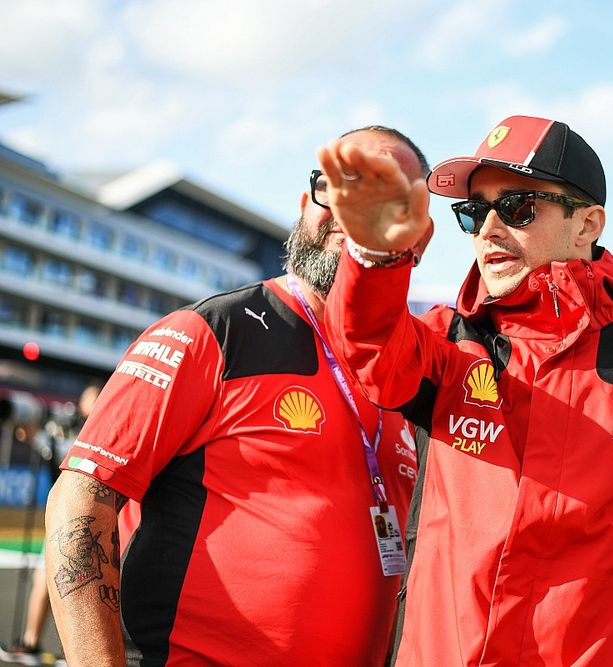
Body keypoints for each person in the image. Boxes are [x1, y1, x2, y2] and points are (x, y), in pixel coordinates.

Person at [316, 115, 613, 665]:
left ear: (587, 225)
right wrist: (375, 256)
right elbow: (367, 348)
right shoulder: (445, 342)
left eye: (516, 208)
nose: (487, 230)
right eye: (472, 211)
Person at [43, 126, 425, 666]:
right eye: (339, 187)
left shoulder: (415, 367)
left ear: (417, 234)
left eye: (383, 196)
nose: (351, 210)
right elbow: (82, 500)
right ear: (304, 204)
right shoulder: (215, 332)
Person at [0, 383, 102, 666]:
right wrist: (30, 431)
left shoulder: (96, 435)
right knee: (47, 579)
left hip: (82, 519)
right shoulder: (67, 429)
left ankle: (67, 651)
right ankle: (34, 643)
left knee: (67, 584)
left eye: (89, 399)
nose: (83, 406)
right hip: (67, 517)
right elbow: (47, 445)